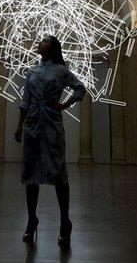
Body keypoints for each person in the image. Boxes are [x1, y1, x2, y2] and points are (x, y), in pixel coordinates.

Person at [13, 35, 86, 246]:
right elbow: (25, 101)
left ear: (53, 48)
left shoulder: (61, 71)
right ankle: (31, 220)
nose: (39, 42)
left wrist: (63, 106)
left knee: (58, 171)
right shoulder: (32, 71)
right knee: (30, 172)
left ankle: (65, 221)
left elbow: (80, 88)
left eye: (44, 41)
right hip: (33, 122)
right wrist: (19, 126)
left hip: (52, 122)